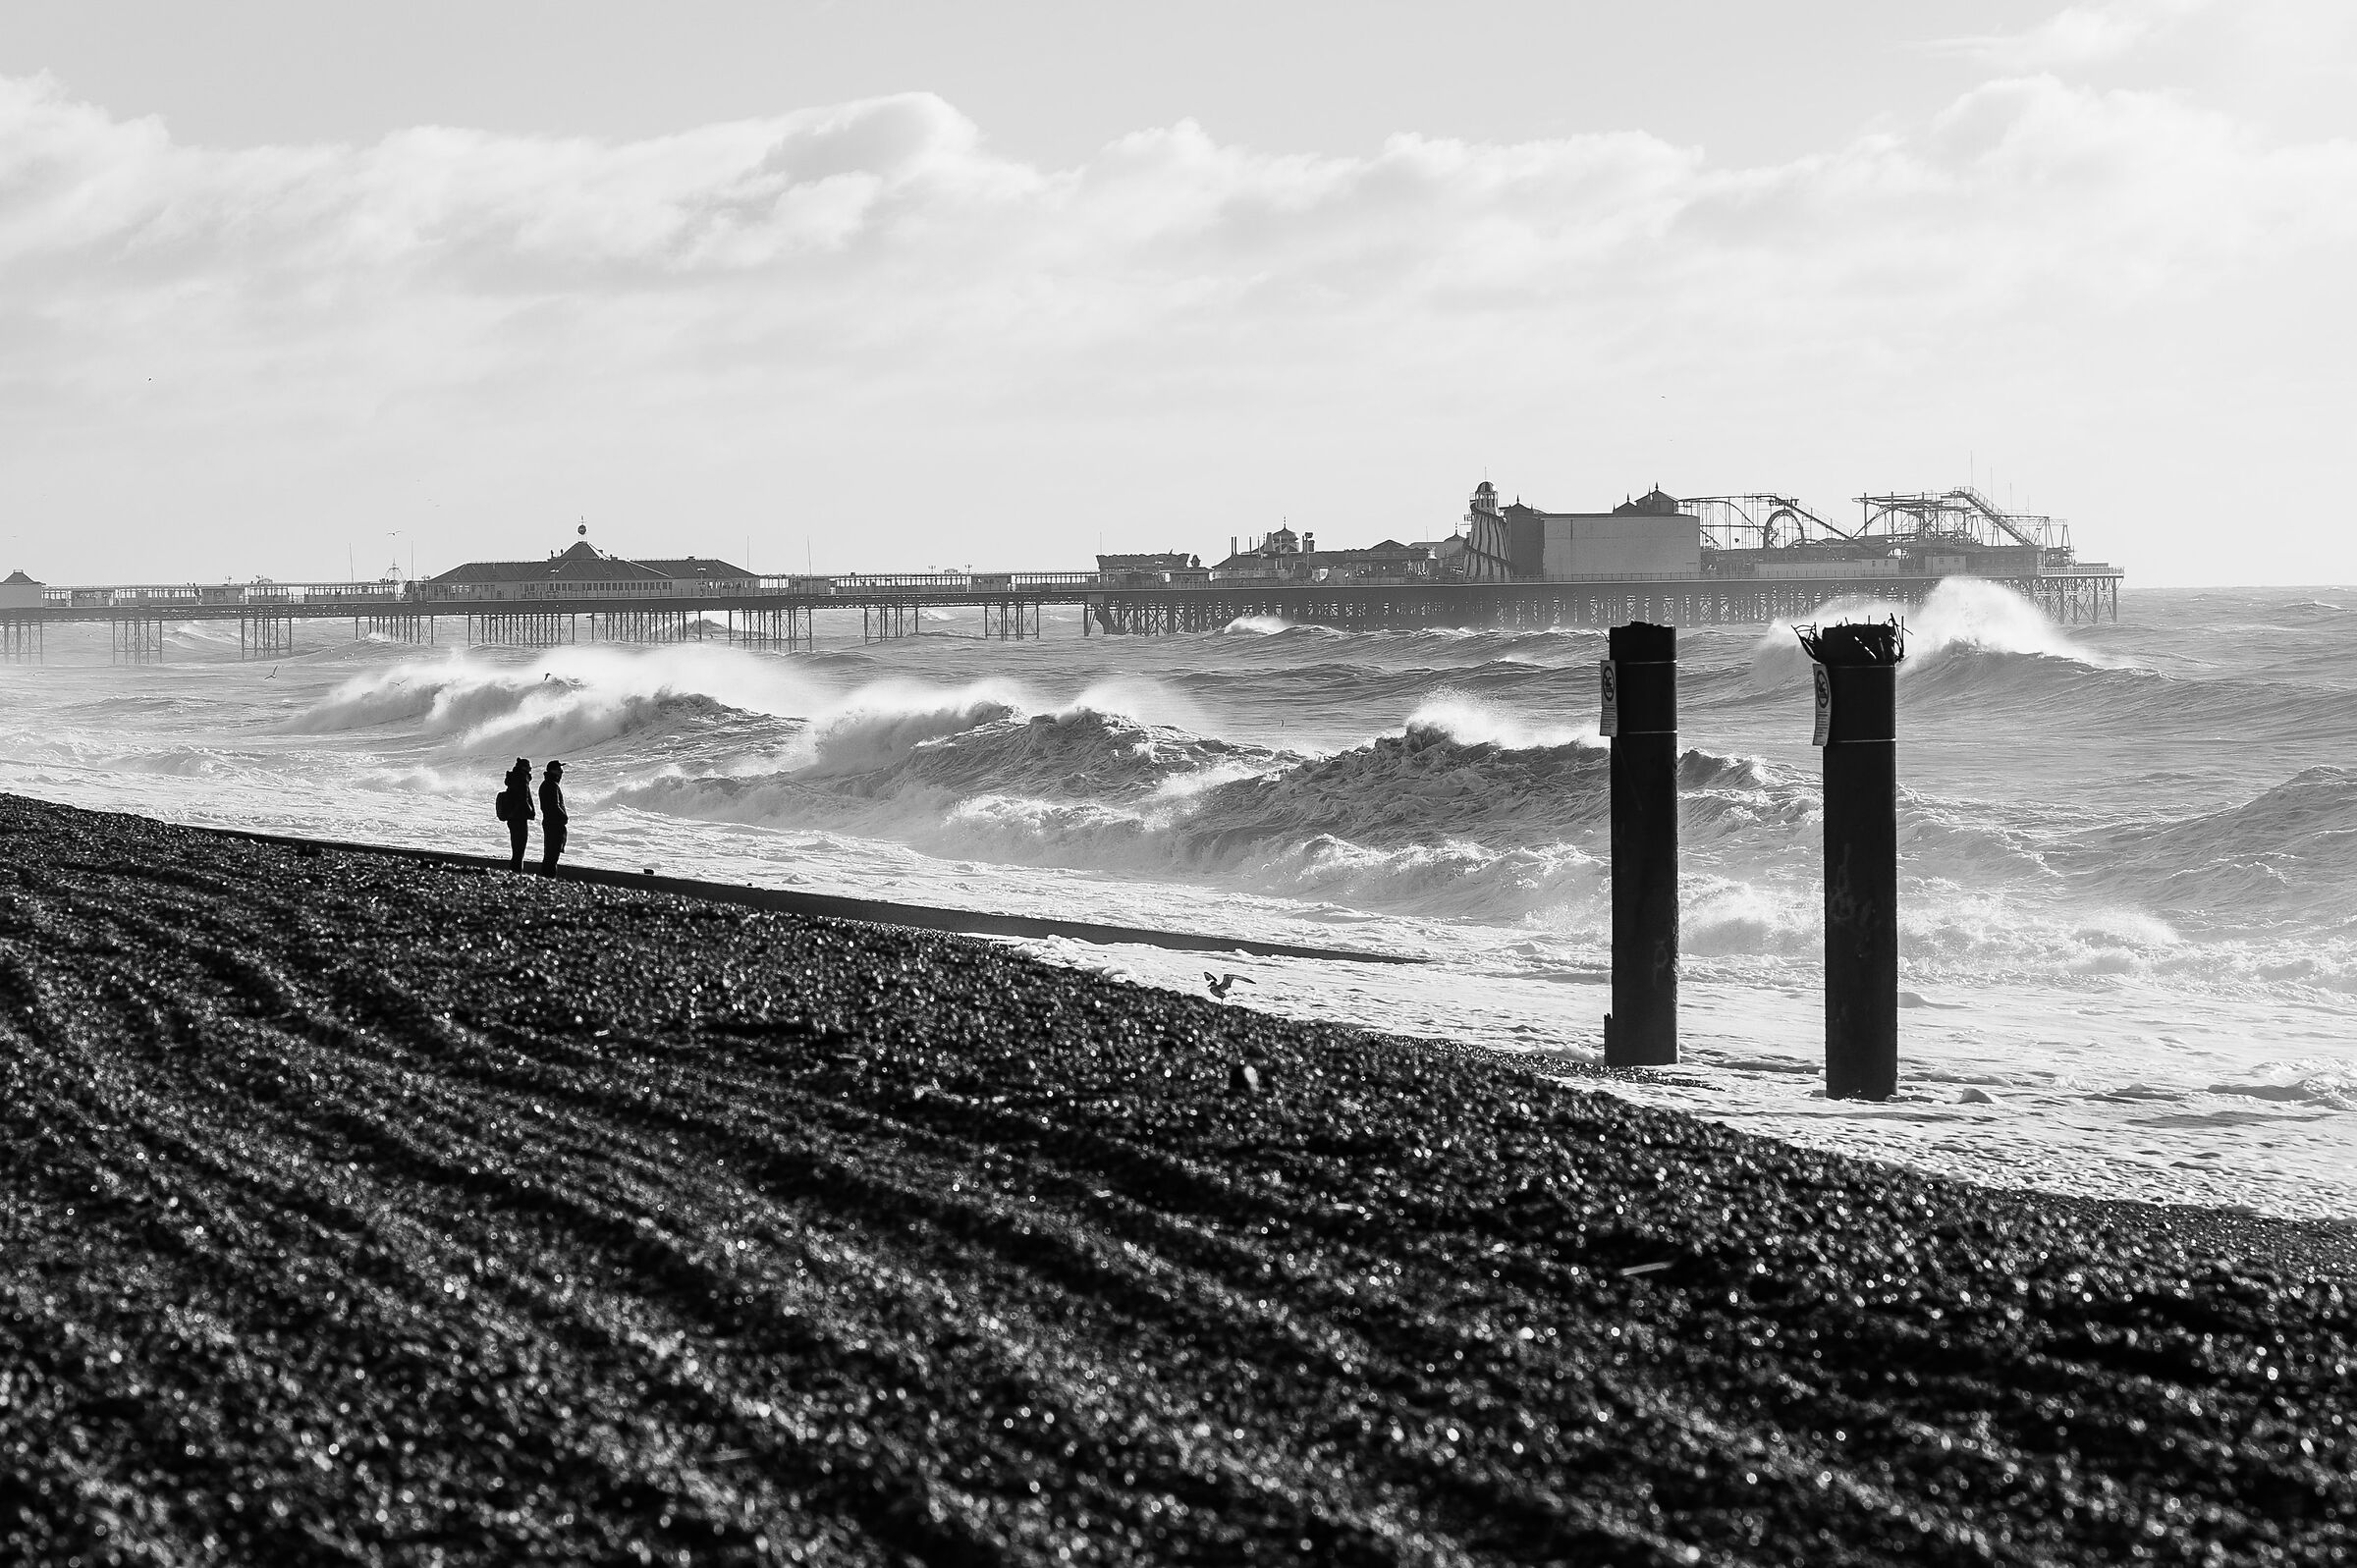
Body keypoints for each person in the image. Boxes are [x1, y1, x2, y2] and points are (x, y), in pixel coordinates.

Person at [497, 758, 534, 872]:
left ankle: (515, 872)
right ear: (524, 768)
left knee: (516, 848)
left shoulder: (514, 778)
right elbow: (523, 799)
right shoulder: (522, 779)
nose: (531, 769)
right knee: (519, 849)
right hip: (519, 817)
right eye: (529, 767)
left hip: (512, 817)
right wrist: (530, 811)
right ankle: (517, 873)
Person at [538, 760, 570, 876]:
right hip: (554, 824)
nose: (562, 773)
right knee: (552, 856)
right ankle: (548, 879)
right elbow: (554, 806)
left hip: (550, 823)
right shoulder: (551, 785)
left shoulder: (548, 784)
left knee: (550, 855)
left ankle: (546, 879)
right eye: (560, 771)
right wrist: (564, 817)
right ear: (553, 771)